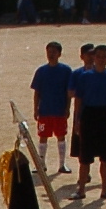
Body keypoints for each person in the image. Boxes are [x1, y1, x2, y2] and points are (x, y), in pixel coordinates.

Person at [70, 44, 106, 203]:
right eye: (98, 56)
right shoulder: (85, 76)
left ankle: (105, 190)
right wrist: (77, 119)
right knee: (84, 156)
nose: (100, 59)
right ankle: (81, 189)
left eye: (103, 56)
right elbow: (79, 99)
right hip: (89, 115)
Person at [30, 41, 75, 175]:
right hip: (45, 110)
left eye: (54, 52)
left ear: (59, 54)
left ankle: (62, 164)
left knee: (61, 136)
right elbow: (37, 92)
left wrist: (67, 108)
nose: (51, 54)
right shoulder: (41, 71)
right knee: (43, 137)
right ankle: (41, 164)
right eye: (49, 52)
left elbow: (69, 92)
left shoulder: (66, 71)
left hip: (59, 110)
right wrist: (35, 108)